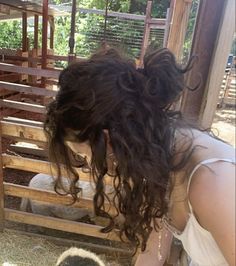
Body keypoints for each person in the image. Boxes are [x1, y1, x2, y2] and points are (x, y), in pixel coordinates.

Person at [44, 48, 235, 265]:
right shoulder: (160, 165)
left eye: (84, 154)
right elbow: (153, 253)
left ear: (106, 140)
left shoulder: (211, 182)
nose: (89, 164)